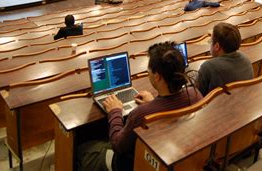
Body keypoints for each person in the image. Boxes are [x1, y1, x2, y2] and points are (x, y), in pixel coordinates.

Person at [76, 42, 202, 171]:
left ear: (157, 76)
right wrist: (153, 102)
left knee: (82, 148)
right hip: (174, 153)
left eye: (148, 70)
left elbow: (118, 145)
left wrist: (115, 111)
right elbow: (168, 107)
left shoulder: (141, 113)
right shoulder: (194, 94)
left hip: (129, 163)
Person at [196, 23, 253, 96]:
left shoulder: (208, 67)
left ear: (217, 46)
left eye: (210, 41)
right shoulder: (246, 60)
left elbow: (197, 96)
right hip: (242, 102)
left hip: (217, 106)